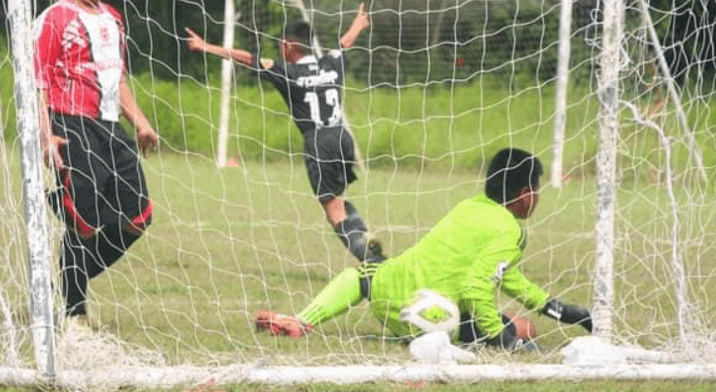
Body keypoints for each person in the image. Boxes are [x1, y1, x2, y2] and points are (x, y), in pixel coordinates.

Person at [254, 148, 593, 350]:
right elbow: (477, 286)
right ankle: (443, 335)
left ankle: (303, 321)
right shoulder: (511, 231)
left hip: (387, 298)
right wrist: (501, 337)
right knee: (524, 328)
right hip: (433, 316)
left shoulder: (469, 206)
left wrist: (560, 309)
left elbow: (508, 277)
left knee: (364, 273)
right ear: (523, 194)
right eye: (536, 189)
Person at [185, 4, 384, 263]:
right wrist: (358, 24)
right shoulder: (331, 63)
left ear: (289, 45)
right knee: (339, 200)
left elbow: (247, 58)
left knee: (333, 211)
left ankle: (371, 259)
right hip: (341, 136)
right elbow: (344, 44)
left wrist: (205, 47)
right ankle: (366, 239)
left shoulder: (289, 72)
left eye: (281, 43)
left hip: (318, 142)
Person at [34, 0, 159, 328]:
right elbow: (36, 80)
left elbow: (116, 76)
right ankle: (75, 314)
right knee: (84, 216)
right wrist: (44, 131)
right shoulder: (55, 18)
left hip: (108, 126)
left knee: (138, 212)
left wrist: (139, 121)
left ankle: (68, 282)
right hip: (70, 122)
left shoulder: (113, 19)